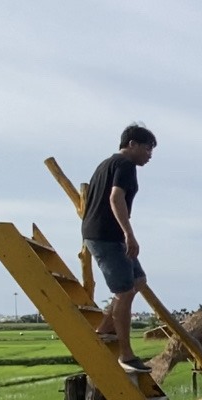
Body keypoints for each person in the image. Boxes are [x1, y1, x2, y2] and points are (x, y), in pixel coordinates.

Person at [81, 124, 157, 373]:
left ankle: (104, 328)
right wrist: (129, 234)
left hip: (103, 234)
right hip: (107, 237)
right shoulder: (125, 165)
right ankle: (126, 355)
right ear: (132, 144)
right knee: (124, 293)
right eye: (147, 148)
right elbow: (115, 198)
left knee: (139, 280)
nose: (149, 155)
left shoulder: (106, 164)